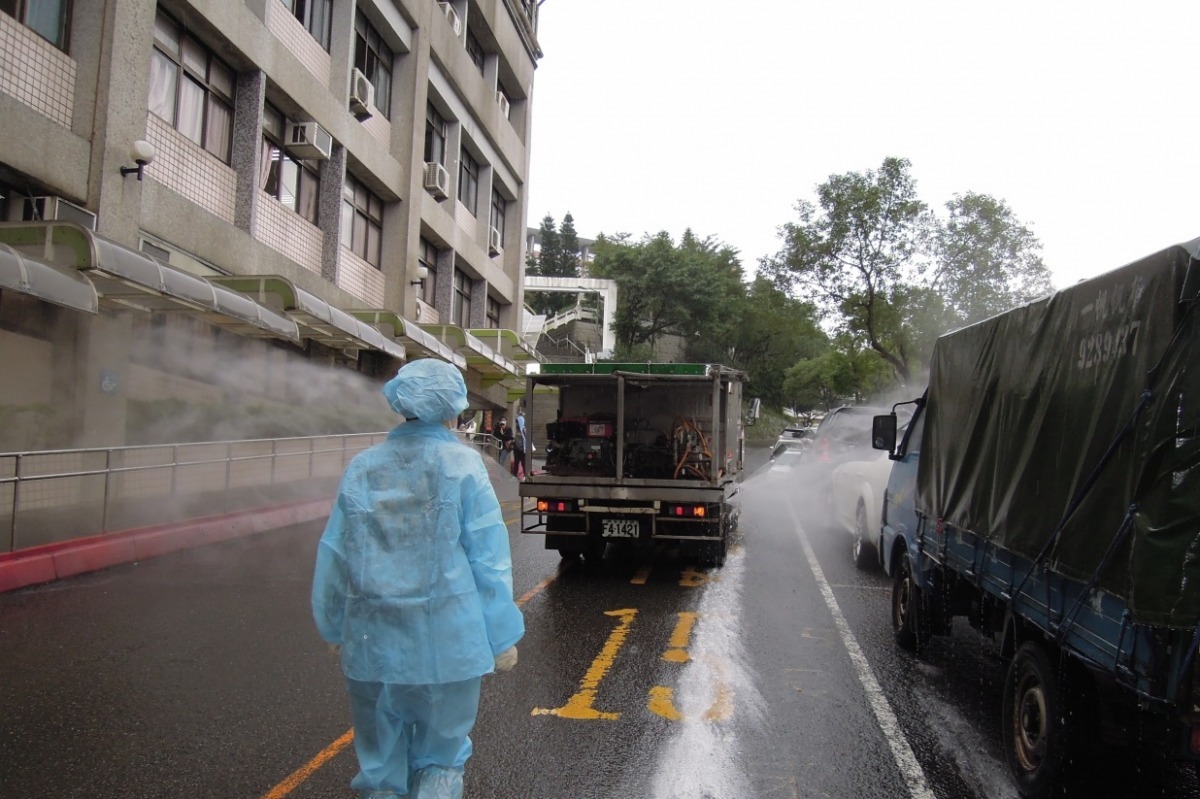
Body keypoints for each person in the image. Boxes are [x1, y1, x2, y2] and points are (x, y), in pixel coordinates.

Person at [312, 358, 524, 799]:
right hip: (449, 644)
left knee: (380, 759)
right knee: (440, 757)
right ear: (453, 408)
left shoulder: (363, 468)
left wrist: (333, 623)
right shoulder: (464, 466)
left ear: (400, 404)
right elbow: (489, 560)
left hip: (373, 643)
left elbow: (335, 551)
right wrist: (501, 635)